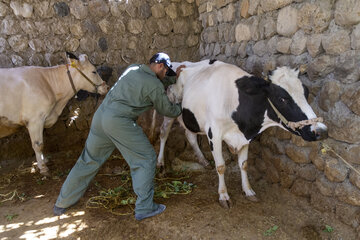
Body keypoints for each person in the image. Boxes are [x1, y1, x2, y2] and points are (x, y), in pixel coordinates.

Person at [53, 53, 183, 221]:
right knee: (146, 158)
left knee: (89, 159)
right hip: (118, 121)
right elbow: (167, 109)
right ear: (160, 66)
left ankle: (62, 202)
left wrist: (171, 79)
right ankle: (145, 207)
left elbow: (152, 84)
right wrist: (181, 107)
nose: (166, 75)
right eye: (166, 72)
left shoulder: (133, 68)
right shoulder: (153, 84)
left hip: (101, 116)